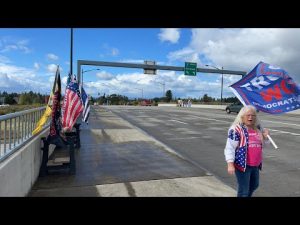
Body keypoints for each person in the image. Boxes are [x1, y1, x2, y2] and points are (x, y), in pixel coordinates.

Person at [224, 105, 270, 197]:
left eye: (253, 115)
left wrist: (265, 138)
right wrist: (230, 164)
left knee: (254, 185)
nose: (250, 117)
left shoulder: (258, 129)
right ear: (242, 116)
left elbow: (264, 146)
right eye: (248, 115)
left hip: (255, 165)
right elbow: (230, 147)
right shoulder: (236, 129)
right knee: (244, 190)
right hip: (242, 165)